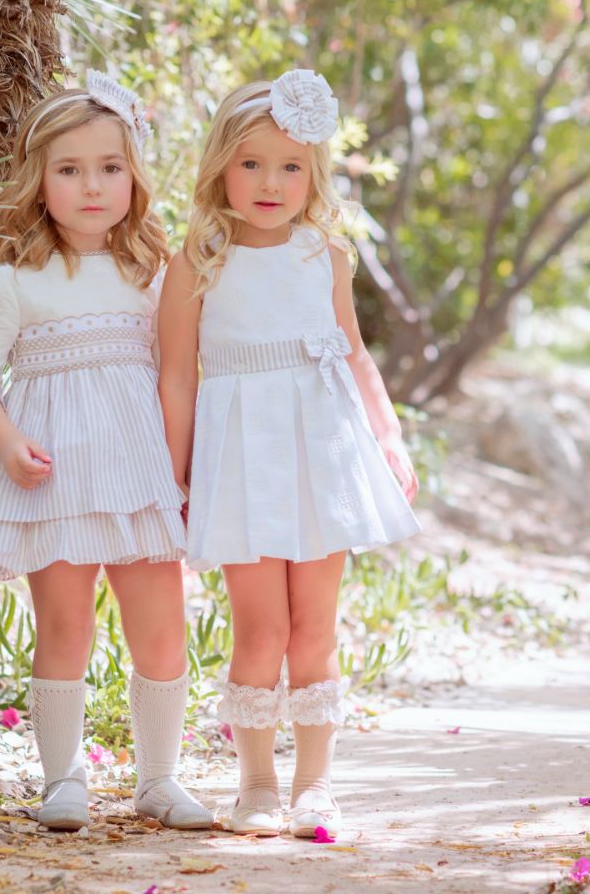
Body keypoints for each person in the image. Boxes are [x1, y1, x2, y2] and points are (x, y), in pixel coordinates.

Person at [0, 72, 212, 832]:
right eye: (69, 169)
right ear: (38, 181)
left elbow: (179, 374)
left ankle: (159, 777)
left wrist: (181, 468)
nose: (92, 186)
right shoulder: (11, 281)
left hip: (138, 474)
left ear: (134, 178)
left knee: (160, 627)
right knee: (64, 627)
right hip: (51, 477)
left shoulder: (157, 274)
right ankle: (63, 778)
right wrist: (7, 442)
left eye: (109, 168)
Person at [157, 69, 421, 838]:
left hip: (324, 454)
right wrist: (177, 467)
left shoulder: (323, 255)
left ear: (315, 175)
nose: (271, 182)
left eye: (291, 167)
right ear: (221, 169)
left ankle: (314, 786)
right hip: (242, 459)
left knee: (316, 626)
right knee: (260, 629)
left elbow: (356, 356)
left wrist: (388, 433)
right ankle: (257, 784)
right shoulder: (198, 259)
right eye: (251, 164)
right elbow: (176, 375)